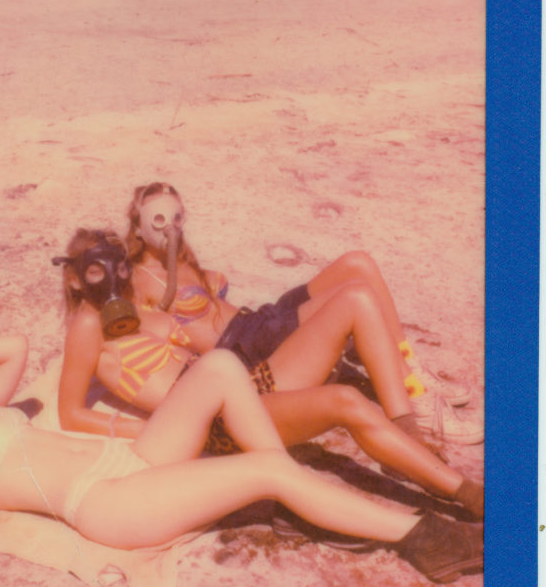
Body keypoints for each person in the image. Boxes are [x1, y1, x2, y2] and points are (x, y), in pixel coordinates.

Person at [0, 335, 482, 584]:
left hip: (131, 459)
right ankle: (425, 539)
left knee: (221, 366)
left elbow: (15, 347)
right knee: (269, 468)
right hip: (107, 505)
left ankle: (290, 496)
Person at [55, 229, 483, 518]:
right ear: (73, 281)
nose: (112, 279)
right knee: (346, 402)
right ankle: (465, 493)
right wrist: (147, 431)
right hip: (218, 422)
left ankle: (408, 431)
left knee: (356, 296)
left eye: (118, 267)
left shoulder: (133, 308)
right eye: (95, 272)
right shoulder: (88, 326)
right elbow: (70, 414)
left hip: (244, 383)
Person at [125, 181, 483, 447]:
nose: (171, 228)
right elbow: (134, 334)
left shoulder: (180, 257)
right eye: (159, 220)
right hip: (248, 346)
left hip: (259, 321)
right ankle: (415, 403)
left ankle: (410, 369)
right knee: (356, 298)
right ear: (138, 226)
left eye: (177, 217)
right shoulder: (137, 281)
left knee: (357, 263)